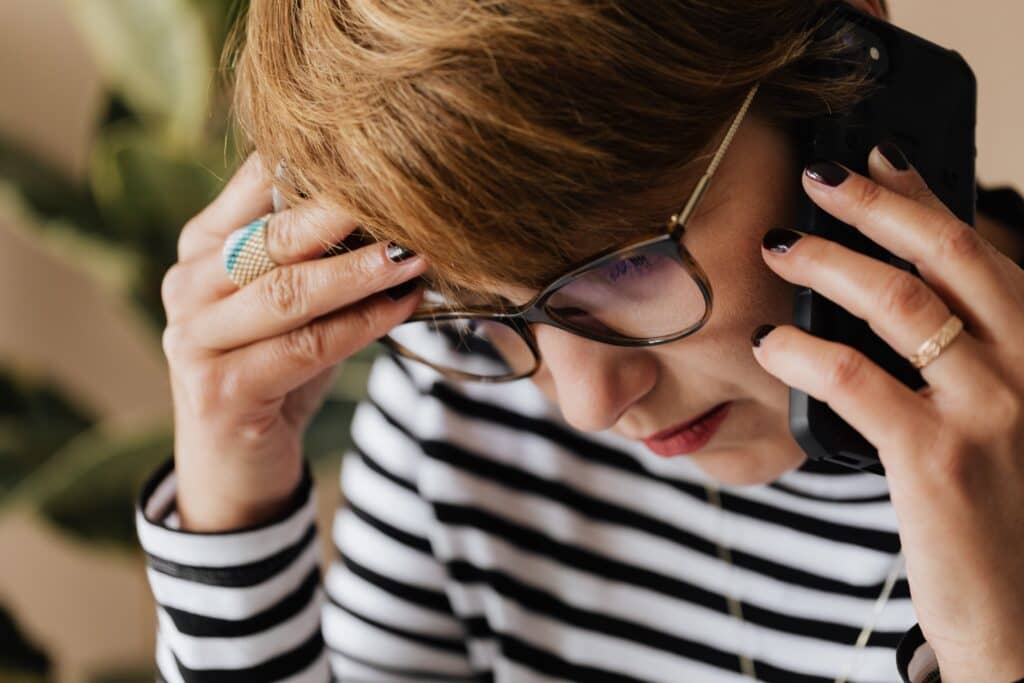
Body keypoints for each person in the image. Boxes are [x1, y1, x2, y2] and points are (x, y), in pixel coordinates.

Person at [138, 0, 1024, 681]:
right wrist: (232, 511)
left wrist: (997, 646)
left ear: (850, 67)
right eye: (481, 304)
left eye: (629, 265)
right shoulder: (456, 405)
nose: (588, 405)